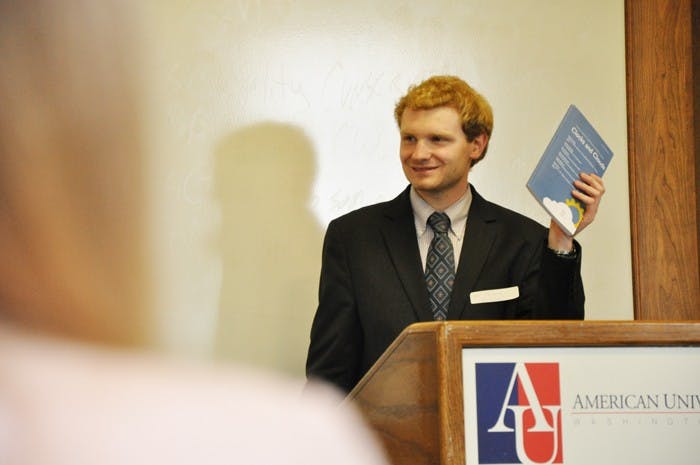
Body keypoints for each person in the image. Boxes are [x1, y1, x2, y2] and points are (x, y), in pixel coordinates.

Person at [0, 1, 389, 464]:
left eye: (235, 190)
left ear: (287, 185)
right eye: (225, 190)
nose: (224, 206)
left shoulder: (324, 262)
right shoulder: (242, 256)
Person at [306, 75, 605, 393]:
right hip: (384, 438)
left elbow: (554, 351)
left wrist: (561, 239)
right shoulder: (353, 238)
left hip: (492, 435)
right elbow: (329, 374)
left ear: (477, 144)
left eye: (437, 139)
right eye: (409, 139)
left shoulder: (525, 241)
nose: (418, 154)